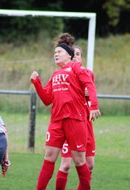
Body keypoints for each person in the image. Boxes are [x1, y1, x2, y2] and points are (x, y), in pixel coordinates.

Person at [30, 33, 101, 190]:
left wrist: (94, 105)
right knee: (49, 157)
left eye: (59, 52)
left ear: (69, 55)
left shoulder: (76, 68)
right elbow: (47, 99)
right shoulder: (55, 74)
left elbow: (90, 84)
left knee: (79, 162)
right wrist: (37, 83)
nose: (56, 55)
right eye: (54, 53)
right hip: (56, 121)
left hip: (75, 119)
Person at [56, 45, 100, 189]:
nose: (75, 56)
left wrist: (93, 107)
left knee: (90, 165)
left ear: (81, 57)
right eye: (73, 54)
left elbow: (91, 90)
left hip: (86, 123)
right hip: (72, 122)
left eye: (78, 54)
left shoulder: (87, 74)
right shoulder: (65, 75)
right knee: (67, 164)